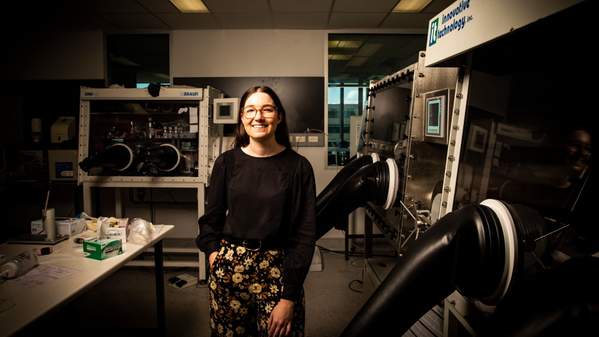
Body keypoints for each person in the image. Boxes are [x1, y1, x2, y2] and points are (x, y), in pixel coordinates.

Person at [196, 86, 316, 337]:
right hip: (229, 266)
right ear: (242, 117)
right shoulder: (226, 162)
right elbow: (212, 217)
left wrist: (289, 297)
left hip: (278, 270)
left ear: (279, 116)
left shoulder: (298, 167)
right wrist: (213, 254)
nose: (258, 116)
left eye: (267, 109)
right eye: (251, 110)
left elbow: (305, 234)